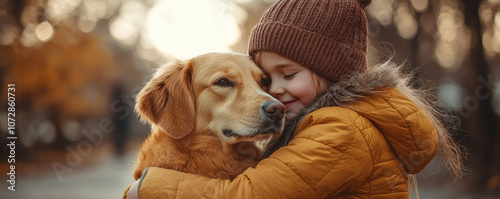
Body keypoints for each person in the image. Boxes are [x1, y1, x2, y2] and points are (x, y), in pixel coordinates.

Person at [125, 0, 464, 198]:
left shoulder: (342, 129)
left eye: (287, 76)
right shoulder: (315, 123)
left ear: (331, 73)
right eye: (267, 79)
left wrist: (149, 186)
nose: (269, 95)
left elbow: (250, 195)